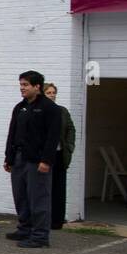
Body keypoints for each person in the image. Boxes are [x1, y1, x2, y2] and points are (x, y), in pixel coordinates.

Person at [3, 70, 61, 248]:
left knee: (38, 198)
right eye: (21, 85)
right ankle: (24, 229)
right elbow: (12, 133)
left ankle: (40, 236)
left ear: (37, 87)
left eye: (25, 85)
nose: (22, 88)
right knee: (21, 196)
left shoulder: (50, 108)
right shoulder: (20, 107)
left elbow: (53, 137)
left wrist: (46, 161)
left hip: (37, 161)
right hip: (19, 158)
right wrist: (9, 157)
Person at [43, 83, 75, 230]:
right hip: (44, 156)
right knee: (44, 189)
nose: (52, 95)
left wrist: (68, 147)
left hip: (59, 154)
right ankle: (44, 219)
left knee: (59, 188)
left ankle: (57, 221)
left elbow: (70, 129)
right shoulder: (40, 111)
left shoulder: (62, 111)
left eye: (53, 92)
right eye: (49, 93)